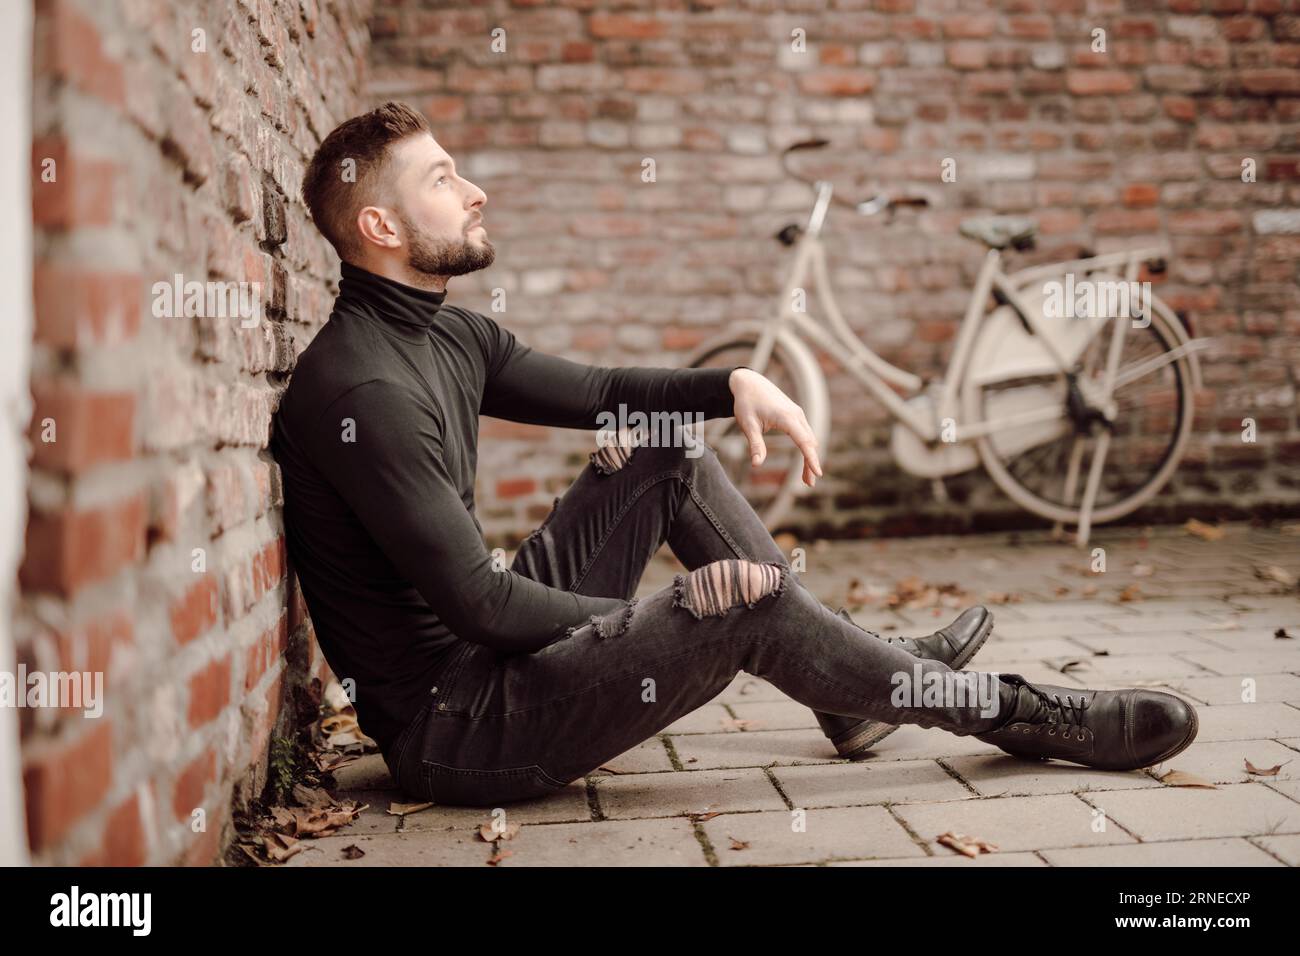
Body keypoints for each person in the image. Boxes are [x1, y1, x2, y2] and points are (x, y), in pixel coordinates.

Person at [269, 102, 1198, 807]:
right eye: (441, 180)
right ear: (382, 230)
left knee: (668, 449)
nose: (473, 191)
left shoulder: (450, 336)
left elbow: (598, 391)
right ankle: (1011, 709)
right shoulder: (365, 391)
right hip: (461, 729)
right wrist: (656, 625)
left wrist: (730, 385)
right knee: (740, 607)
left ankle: (851, 687)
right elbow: (479, 603)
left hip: (493, 658)